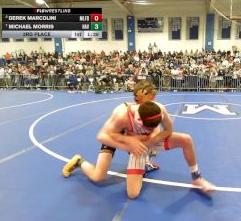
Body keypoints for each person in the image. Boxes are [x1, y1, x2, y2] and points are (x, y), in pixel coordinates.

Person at [62, 81, 215, 199]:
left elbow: (167, 130)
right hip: (115, 137)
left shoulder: (157, 109)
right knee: (98, 177)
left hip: (138, 141)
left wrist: (151, 139)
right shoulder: (122, 114)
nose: (154, 98)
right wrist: (129, 142)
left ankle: (197, 178)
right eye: (150, 96)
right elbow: (103, 135)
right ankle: (79, 162)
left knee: (185, 139)